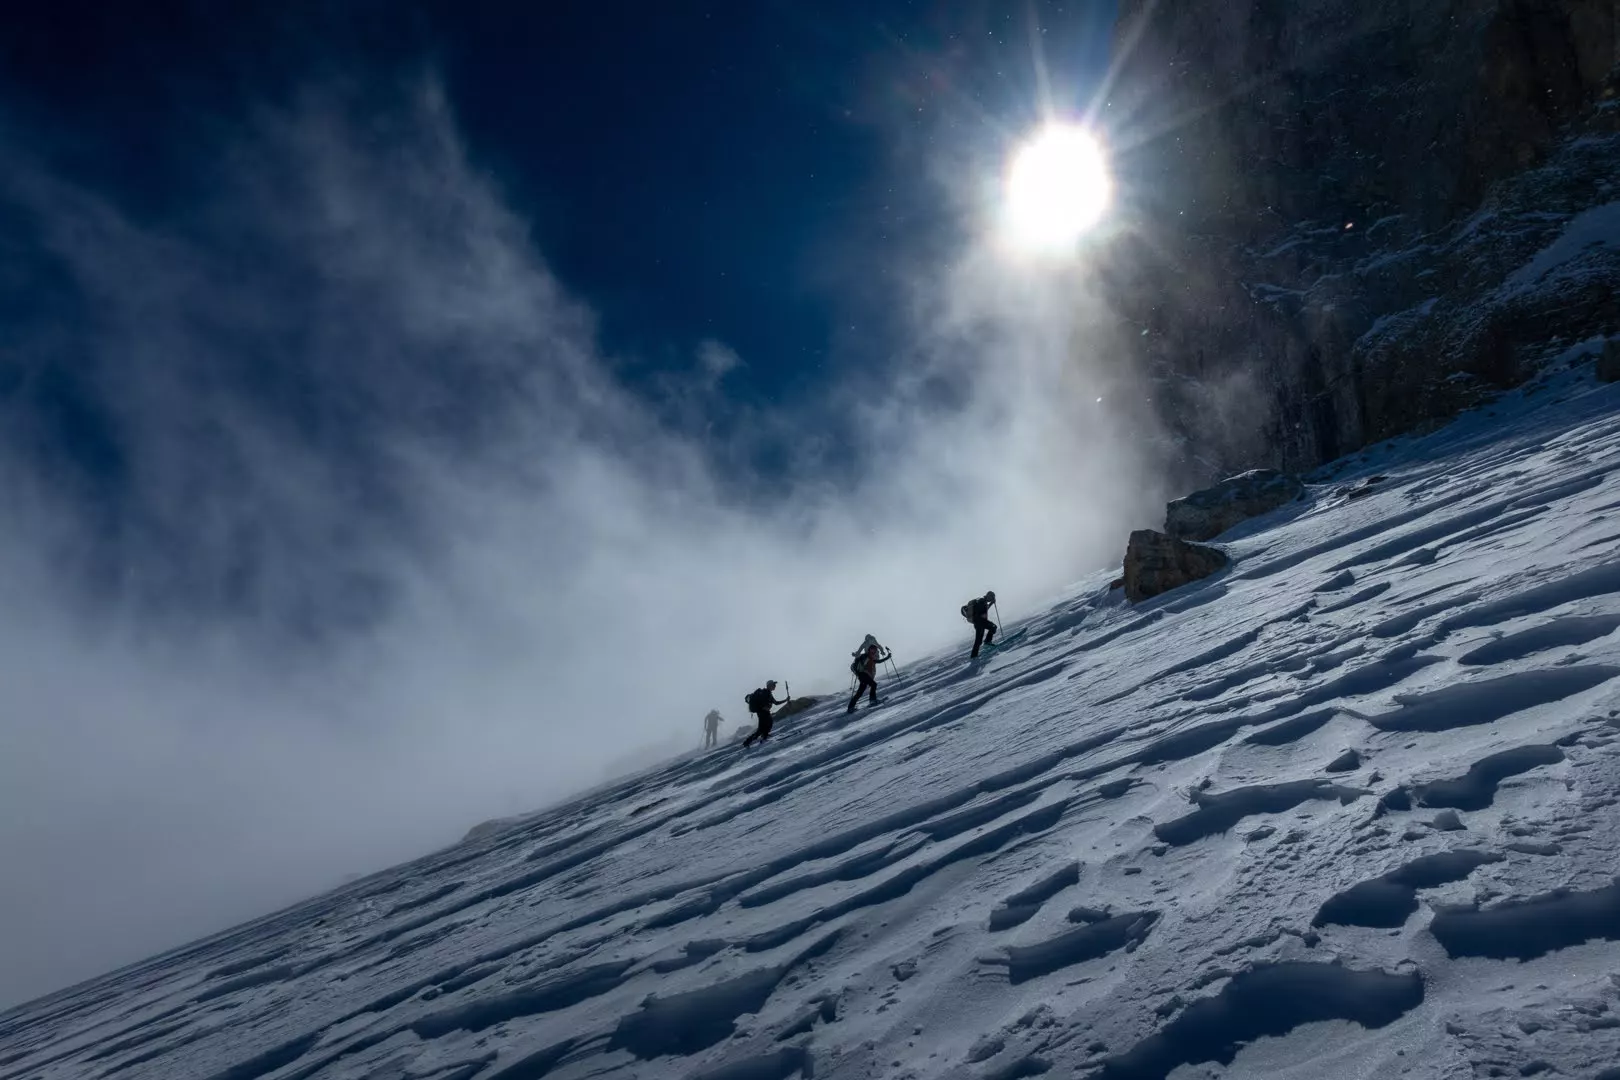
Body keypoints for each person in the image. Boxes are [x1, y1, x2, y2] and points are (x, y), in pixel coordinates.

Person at [742, 680, 790, 748]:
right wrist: (763, 708)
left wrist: (785, 700)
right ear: (769, 686)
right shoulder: (765, 693)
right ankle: (747, 742)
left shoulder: (769, 693)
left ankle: (764, 736)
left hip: (764, 712)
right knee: (761, 729)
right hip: (762, 713)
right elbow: (762, 703)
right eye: (773, 685)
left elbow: (775, 703)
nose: (775, 686)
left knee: (769, 723)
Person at [848, 640, 892, 713]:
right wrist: (860, 672)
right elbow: (862, 664)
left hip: (862, 675)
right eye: (873, 649)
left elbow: (878, 661)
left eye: (875, 650)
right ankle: (872, 700)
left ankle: (850, 707)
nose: (875, 651)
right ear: (870, 649)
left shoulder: (870, 657)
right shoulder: (866, 656)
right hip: (863, 675)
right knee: (873, 684)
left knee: (860, 692)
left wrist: (887, 657)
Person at [961, 590, 997, 658]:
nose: (992, 599)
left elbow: (984, 610)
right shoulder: (982, 601)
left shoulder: (982, 601)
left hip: (978, 622)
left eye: (992, 598)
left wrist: (991, 603)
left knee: (979, 640)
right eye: (991, 597)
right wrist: (991, 603)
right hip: (980, 622)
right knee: (993, 627)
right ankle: (986, 642)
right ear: (988, 596)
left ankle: (974, 655)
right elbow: (982, 610)